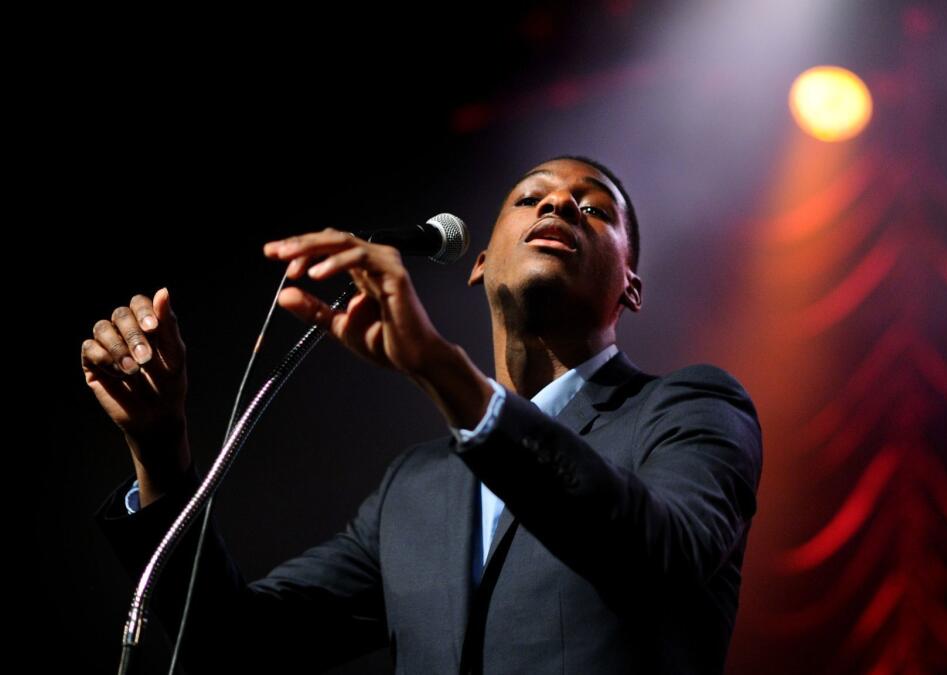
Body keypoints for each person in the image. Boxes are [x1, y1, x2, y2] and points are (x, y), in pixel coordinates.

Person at [84, 155, 764, 674]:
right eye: (531, 197)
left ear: (632, 287)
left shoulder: (692, 407)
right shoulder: (415, 488)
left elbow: (660, 560)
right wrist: (161, 447)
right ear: (482, 264)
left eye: (595, 209)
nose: (559, 201)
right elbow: (235, 643)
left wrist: (442, 367)